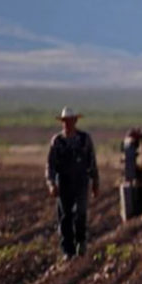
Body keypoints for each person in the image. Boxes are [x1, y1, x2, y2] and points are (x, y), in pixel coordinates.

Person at [45, 106, 99, 260]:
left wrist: (95, 182)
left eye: (70, 120)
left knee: (81, 213)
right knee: (65, 216)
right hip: (63, 182)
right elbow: (50, 165)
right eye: (65, 121)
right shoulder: (57, 141)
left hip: (81, 181)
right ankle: (67, 250)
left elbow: (92, 162)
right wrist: (51, 184)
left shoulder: (84, 139)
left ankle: (81, 243)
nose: (68, 123)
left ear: (75, 121)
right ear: (62, 122)